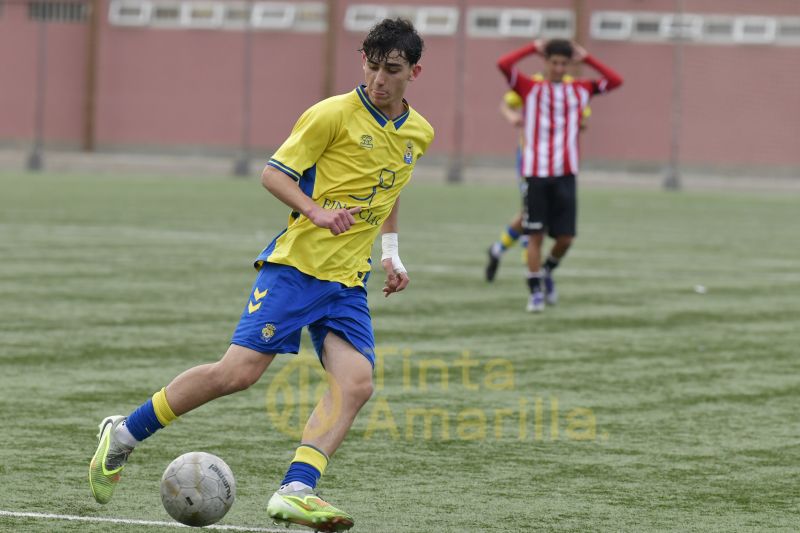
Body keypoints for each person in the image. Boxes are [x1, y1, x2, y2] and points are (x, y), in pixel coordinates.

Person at [88, 18, 433, 532]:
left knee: (356, 384)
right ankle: (123, 434)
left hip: (347, 282)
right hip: (297, 268)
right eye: (372, 65)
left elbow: (390, 187)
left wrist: (392, 252)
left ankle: (296, 489)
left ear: (414, 71)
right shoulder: (331, 115)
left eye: (392, 69)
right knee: (237, 374)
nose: (379, 78)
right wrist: (315, 212)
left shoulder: (418, 133)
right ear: (363, 61)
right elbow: (274, 173)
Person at [496, 38, 622, 312]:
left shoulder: (579, 89)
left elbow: (615, 81)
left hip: (565, 173)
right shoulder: (529, 87)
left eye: (564, 63)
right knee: (535, 234)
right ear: (546, 63)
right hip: (536, 173)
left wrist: (587, 58)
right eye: (554, 62)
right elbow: (503, 64)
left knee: (565, 239)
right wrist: (532, 47)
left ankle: (547, 271)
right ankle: (535, 294)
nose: (559, 67)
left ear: (569, 65)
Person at [485, 72, 591, 284]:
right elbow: (505, 105)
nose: (559, 66)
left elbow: (584, 120)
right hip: (531, 160)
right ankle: (539, 280)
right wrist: (512, 116)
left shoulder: (573, 88)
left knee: (532, 214)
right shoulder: (533, 85)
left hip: (559, 165)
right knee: (533, 216)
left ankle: (498, 250)